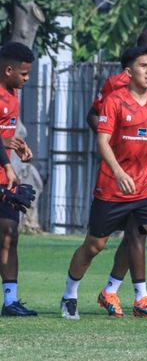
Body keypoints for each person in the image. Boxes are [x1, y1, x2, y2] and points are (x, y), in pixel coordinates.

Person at [60, 46, 147, 321]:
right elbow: (102, 140)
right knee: (94, 246)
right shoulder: (114, 100)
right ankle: (69, 295)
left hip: (146, 187)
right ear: (128, 71)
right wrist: (119, 172)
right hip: (113, 187)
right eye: (143, 66)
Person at [86, 30, 147, 318]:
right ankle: (120, 292)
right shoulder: (116, 86)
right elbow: (95, 118)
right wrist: (117, 141)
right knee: (105, 242)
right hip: (118, 175)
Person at [0, 42, 36, 317]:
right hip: (5, 173)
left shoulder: (13, 97)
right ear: (9, 69)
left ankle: (10, 301)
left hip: (4, 180)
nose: (26, 78)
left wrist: (16, 145)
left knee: (10, 235)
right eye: (23, 73)